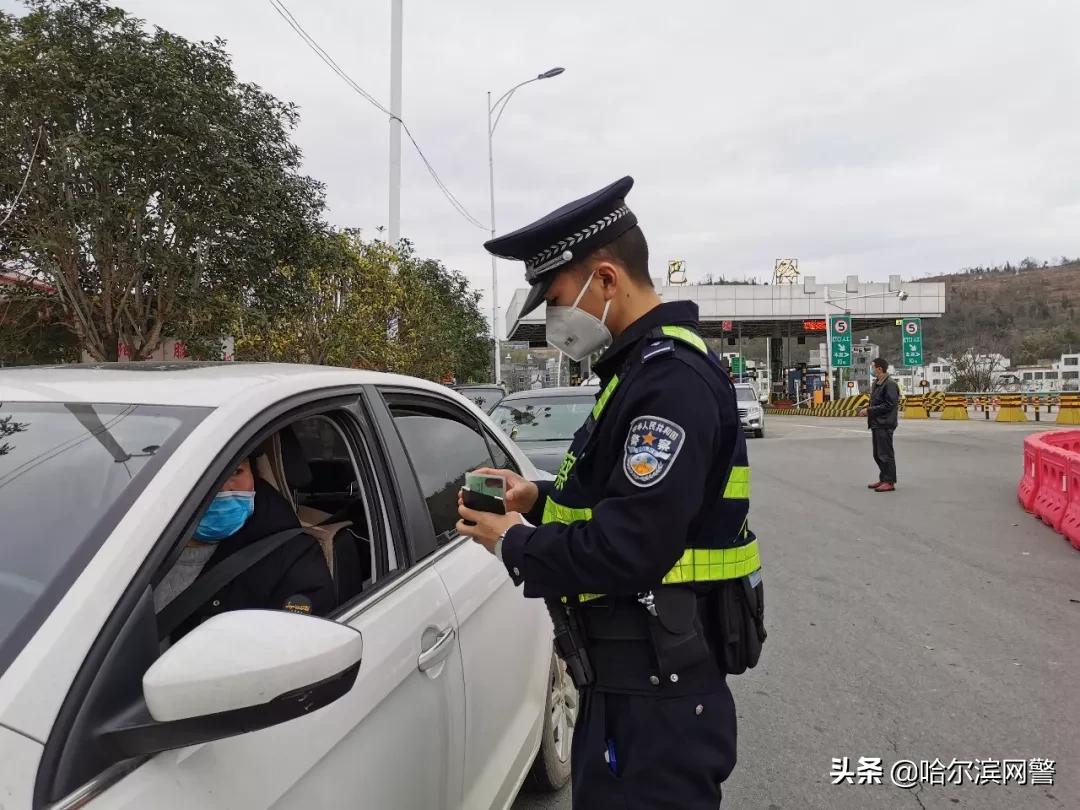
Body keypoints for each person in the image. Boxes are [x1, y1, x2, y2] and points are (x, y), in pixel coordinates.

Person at [456, 177, 764, 809]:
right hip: (631, 681)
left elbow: (631, 546)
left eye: (558, 297)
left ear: (604, 279)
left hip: (657, 689)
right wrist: (536, 500)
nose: (552, 321)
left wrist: (516, 543)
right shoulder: (636, 373)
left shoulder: (668, 380)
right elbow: (621, 501)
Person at [155, 457, 336, 640]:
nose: (223, 489)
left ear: (253, 476)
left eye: (236, 472)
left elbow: (299, 648)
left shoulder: (292, 557)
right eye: (203, 476)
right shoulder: (139, 538)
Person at [858, 357, 900, 492]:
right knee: (877, 454)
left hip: (885, 423)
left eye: (873, 367)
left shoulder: (890, 384)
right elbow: (876, 403)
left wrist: (869, 411)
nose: (872, 369)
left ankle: (890, 481)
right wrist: (865, 409)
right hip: (877, 423)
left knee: (886, 454)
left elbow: (889, 405)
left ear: (879, 369)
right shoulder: (877, 383)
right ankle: (883, 478)